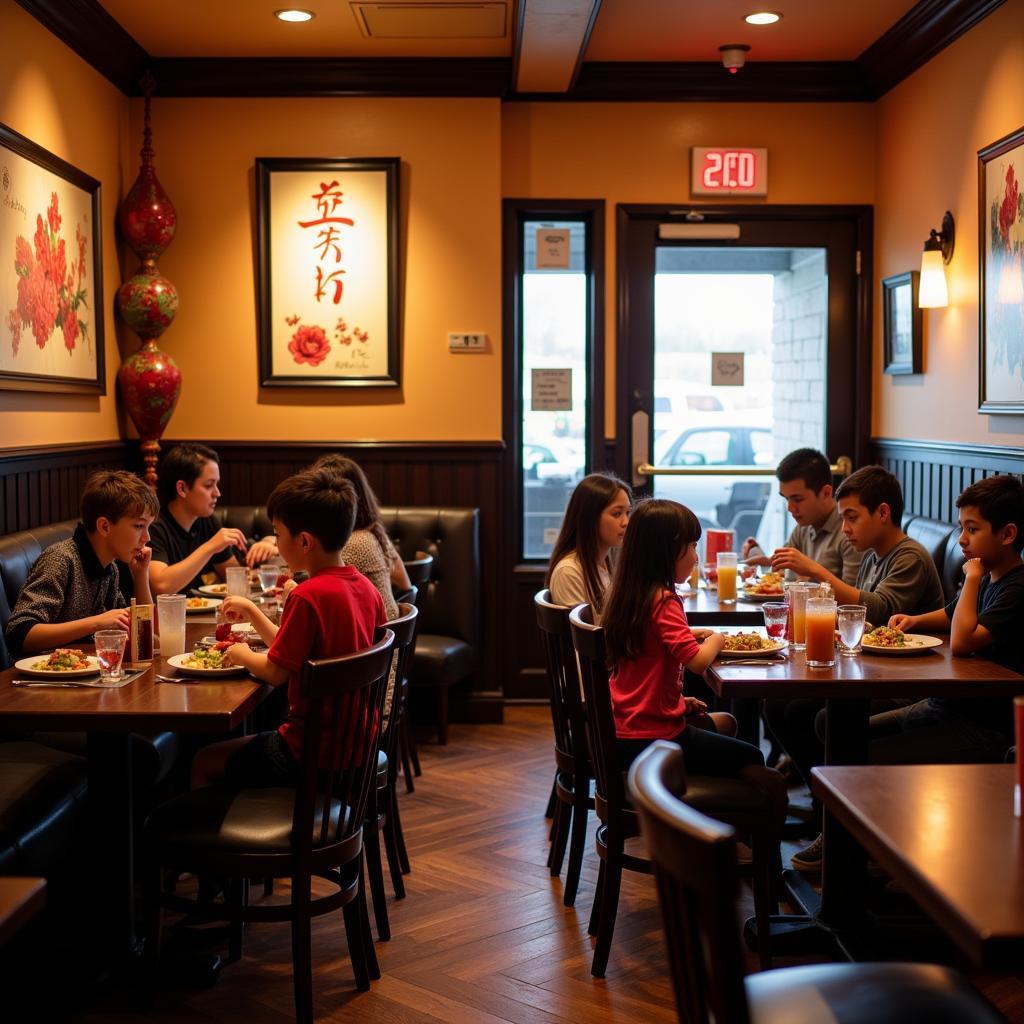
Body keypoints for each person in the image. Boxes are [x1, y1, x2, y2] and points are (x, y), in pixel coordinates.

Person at [767, 465, 944, 872]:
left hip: (911, 683)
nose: (845, 527)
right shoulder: (874, 556)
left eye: (852, 517)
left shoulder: (909, 556)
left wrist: (816, 571)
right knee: (780, 706)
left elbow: (878, 610)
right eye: (843, 517)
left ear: (882, 513)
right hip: (872, 672)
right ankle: (824, 810)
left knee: (820, 717)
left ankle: (843, 826)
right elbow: (859, 622)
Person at [190, 468, 386, 789]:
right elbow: (290, 650)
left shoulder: (308, 596)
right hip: (356, 746)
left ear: (305, 541)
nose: (277, 543)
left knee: (204, 761)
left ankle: (225, 836)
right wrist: (253, 611)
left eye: (278, 535)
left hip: (309, 752)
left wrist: (239, 653)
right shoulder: (365, 589)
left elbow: (275, 672)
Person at [602, 498, 772, 781]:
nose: (696, 557)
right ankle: (718, 819)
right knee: (753, 757)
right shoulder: (664, 601)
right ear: (666, 552)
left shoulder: (629, 596)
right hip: (654, 740)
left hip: (625, 728)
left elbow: (651, 649)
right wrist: (718, 637)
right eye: (692, 546)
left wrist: (676, 702)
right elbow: (697, 662)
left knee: (727, 724)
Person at [870, 475, 1024, 764]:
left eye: (972, 529)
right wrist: (915, 621)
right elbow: (950, 615)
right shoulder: (988, 576)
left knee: (862, 753)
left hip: (984, 725)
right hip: (945, 706)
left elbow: (962, 641)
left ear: (1007, 535)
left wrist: (973, 578)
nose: (962, 539)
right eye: (961, 528)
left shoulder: (1015, 587)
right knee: (836, 729)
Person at [5, 470, 157, 658]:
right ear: (104, 526)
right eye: (139, 526)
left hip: (86, 676)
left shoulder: (110, 567)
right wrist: (95, 623)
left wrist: (142, 576)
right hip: (44, 681)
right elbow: (19, 634)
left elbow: (140, 634)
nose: (147, 538)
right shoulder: (61, 559)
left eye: (148, 527)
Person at [148, 443, 264, 595]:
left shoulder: (207, 521)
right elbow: (160, 586)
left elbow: (236, 579)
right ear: (182, 488)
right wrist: (211, 547)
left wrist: (269, 543)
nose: (217, 493)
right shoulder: (153, 527)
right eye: (209, 485)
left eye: (217, 484)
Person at [742, 448, 863, 586]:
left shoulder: (850, 534)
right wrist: (758, 558)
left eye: (797, 499)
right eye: (786, 499)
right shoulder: (803, 528)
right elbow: (781, 571)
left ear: (825, 493)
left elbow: (853, 603)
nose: (790, 508)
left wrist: (812, 573)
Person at [311, 454, 410, 620]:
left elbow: (308, 589)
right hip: (386, 637)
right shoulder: (373, 532)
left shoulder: (352, 543)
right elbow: (406, 584)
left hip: (373, 640)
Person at [546, 473, 631, 614]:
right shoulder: (569, 571)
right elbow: (583, 634)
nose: (626, 522)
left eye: (628, 513)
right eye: (617, 514)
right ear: (590, 518)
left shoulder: (604, 563)